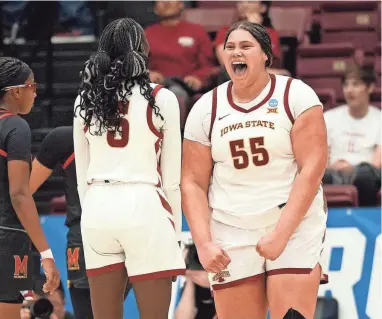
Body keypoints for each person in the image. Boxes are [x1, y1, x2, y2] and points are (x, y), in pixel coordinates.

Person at [181, 21, 329, 319]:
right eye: (230, 47)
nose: (237, 52)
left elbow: (312, 168)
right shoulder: (205, 108)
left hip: (292, 223)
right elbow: (192, 182)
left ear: (266, 55)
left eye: (246, 46)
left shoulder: (296, 95)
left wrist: (281, 234)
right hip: (230, 228)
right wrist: (204, 243)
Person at [73, 18, 186, 319]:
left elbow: (81, 178)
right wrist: (175, 235)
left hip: (97, 208)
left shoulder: (83, 100)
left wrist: (92, 214)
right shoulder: (163, 98)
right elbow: (173, 181)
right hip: (144, 206)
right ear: (143, 52)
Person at [0, 57, 60, 319]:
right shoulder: (14, 125)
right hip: (5, 236)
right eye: (31, 86)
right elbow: (20, 194)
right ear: (15, 91)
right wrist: (46, 253)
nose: (35, 92)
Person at [145, 0, 215, 129]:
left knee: (177, 94)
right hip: (157, 86)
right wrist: (148, 73)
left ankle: (177, 141)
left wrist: (198, 77)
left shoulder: (196, 31)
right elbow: (138, 63)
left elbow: (208, 65)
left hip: (186, 85)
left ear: (181, 4)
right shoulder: (147, 33)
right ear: (155, 8)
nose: (166, 2)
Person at [323, 64, 381, 206]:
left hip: (366, 176)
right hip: (333, 173)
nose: (349, 90)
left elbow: (377, 163)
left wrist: (352, 170)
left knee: (366, 175)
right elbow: (321, 157)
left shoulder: (379, 119)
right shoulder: (328, 117)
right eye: (346, 85)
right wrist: (332, 167)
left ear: (370, 87)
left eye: (356, 84)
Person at [214, 0, 290, 81]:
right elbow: (226, 61)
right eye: (241, 1)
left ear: (262, 8)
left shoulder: (270, 33)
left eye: (250, 2)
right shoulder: (225, 31)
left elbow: (267, 62)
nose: (244, 5)